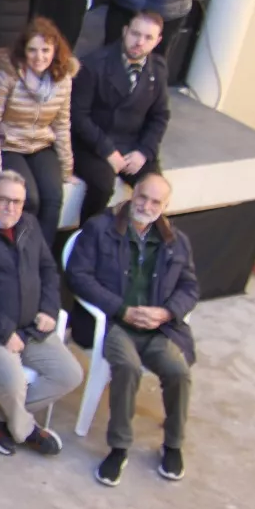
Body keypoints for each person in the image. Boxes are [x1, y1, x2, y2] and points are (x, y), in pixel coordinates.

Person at [66, 173, 198, 486]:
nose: (146, 205)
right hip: (115, 324)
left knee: (178, 371)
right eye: (142, 197)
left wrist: (165, 313)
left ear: (165, 206)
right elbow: (78, 275)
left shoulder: (176, 241)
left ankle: (173, 444)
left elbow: (189, 288)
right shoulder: (100, 228)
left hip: (158, 328)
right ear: (131, 193)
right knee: (127, 367)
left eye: (155, 201)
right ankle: (119, 447)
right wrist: (123, 309)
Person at [0, 171, 83, 457]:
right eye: (3, 200)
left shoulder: (29, 225)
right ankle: (25, 430)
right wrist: (4, 331)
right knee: (14, 381)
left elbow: (48, 269)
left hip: (32, 326)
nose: (11, 208)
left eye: (17, 202)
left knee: (70, 374)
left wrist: (48, 308)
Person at [0, 18, 78, 246]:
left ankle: (39, 256)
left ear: (55, 50)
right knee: (30, 199)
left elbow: (62, 125)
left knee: (53, 198)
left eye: (45, 50)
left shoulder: (62, 81)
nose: (39, 56)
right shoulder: (5, 78)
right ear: (23, 51)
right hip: (10, 145)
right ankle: (18, 250)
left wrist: (66, 168)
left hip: (41, 145)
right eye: (32, 50)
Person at [70, 11, 170, 222]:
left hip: (133, 145)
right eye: (135, 34)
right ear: (125, 31)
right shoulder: (94, 64)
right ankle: (89, 237)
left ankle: (141, 242)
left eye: (148, 38)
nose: (139, 42)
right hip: (94, 145)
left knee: (155, 188)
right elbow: (79, 116)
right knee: (103, 185)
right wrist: (107, 150)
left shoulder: (158, 69)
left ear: (157, 41)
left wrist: (143, 152)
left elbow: (159, 116)